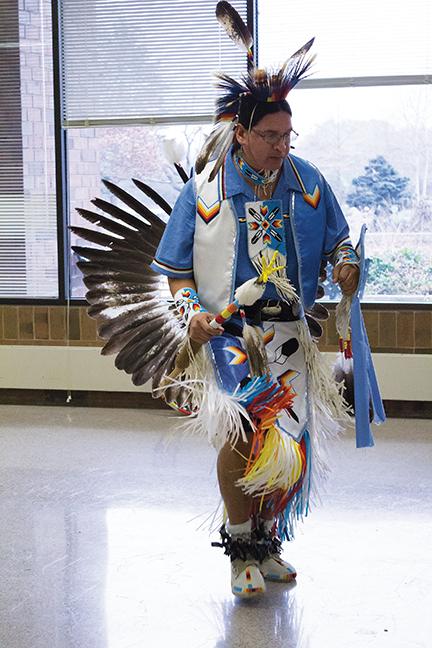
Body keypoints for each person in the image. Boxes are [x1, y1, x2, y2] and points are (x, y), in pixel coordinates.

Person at [149, 2, 382, 599]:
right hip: (229, 334)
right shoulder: (203, 193)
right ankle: (238, 547)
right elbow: (174, 276)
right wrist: (192, 317)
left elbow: (337, 249)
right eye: (271, 136)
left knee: (288, 437)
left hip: (292, 335)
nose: (283, 146)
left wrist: (347, 269)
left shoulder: (308, 183)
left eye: (288, 135)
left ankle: (269, 540)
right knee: (242, 430)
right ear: (242, 133)